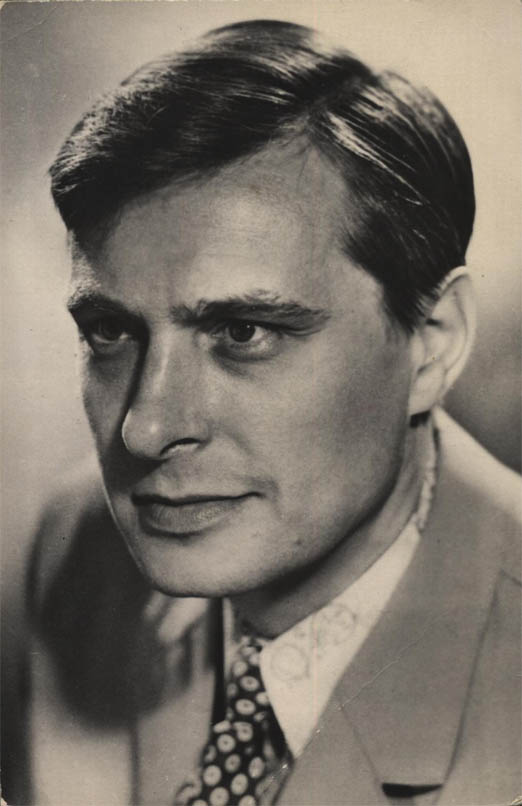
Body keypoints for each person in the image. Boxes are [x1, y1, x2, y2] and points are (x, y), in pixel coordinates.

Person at [9, 19, 520, 806]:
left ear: (432, 344)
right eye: (110, 331)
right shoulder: (79, 545)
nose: (146, 428)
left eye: (243, 332)